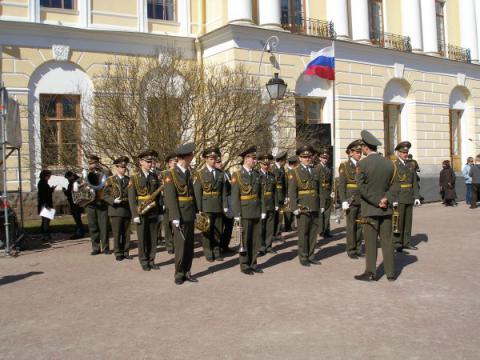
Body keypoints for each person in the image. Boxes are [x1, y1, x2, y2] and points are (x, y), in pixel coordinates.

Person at [354, 130, 396, 282]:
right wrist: (386, 199)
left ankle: (371, 273)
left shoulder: (362, 164)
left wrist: (375, 201)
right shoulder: (389, 163)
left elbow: (361, 187)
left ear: (366, 148)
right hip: (386, 209)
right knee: (387, 241)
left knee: (371, 242)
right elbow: (396, 185)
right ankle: (391, 273)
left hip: (371, 209)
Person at [163, 143, 198, 284]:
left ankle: (187, 271)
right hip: (180, 214)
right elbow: (170, 197)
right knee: (180, 246)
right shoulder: (170, 174)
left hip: (189, 213)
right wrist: (175, 217)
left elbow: (191, 193)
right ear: (185, 157)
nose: (193, 157)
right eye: (191, 155)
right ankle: (178, 273)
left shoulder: (187, 172)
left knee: (189, 245)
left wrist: (196, 211)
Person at [231, 146, 264, 275]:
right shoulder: (237, 175)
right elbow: (235, 196)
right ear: (246, 159)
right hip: (244, 212)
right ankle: (245, 265)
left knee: (255, 239)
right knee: (244, 239)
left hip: (256, 210)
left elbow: (260, 194)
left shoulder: (257, 174)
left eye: (255, 159)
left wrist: (263, 210)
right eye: (253, 158)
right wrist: (237, 214)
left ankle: (253, 263)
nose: (255, 161)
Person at [128, 150, 163, 271]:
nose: (150, 164)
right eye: (148, 161)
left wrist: (160, 212)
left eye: (152, 161)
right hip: (141, 211)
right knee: (143, 238)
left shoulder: (154, 177)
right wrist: (135, 215)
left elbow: (159, 196)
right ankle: (143, 260)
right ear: (141, 162)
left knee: (153, 237)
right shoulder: (134, 177)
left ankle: (151, 260)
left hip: (153, 210)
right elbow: (131, 198)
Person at [288, 145, 321, 267]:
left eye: (309, 157)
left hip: (314, 205)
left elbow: (319, 189)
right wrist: (294, 207)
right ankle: (303, 257)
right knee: (303, 233)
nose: (307, 159)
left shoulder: (315, 170)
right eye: (304, 157)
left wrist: (321, 204)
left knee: (313, 233)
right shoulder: (294, 172)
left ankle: (311, 255)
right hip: (302, 206)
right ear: (300, 158)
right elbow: (292, 191)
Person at [193, 146, 227, 262]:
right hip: (206, 206)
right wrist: (199, 209)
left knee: (218, 230)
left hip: (218, 205)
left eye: (215, 158)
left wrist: (225, 206)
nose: (213, 160)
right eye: (211, 159)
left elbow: (223, 192)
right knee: (207, 231)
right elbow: (198, 192)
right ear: (206, 159)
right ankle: (208, 252)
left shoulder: (220, 173)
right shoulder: (200, 174)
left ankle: (216, 252)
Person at [390, 141, 421, 253]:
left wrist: (416, 196)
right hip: (398, 197)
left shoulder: (411, 165)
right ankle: (397, 243)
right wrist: (393, 199)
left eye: (406, 152)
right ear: (398, 153)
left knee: (408, 221)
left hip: (408, 196)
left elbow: (414, 182)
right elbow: (390, 183)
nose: (405, 154)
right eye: (403, 152)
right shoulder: (393, 165)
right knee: (398, 221)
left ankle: (406, 242)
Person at [80, 154, 111, 255]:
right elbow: (82, 187)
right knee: (93, 226)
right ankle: (95, 248)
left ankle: (106, 248)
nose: (92, 165)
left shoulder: (105, 172)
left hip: (102, 202)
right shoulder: (85, 174)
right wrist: (84, 186)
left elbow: (111, 185)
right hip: (91, 203)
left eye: (93, 163)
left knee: (104, 226)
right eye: (90, 163)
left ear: (98, 162)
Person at [338, 140, 363, 259]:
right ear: (351, 153)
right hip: (351, 200)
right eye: (357, 152)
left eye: (360, 152)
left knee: (360, 225)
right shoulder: (345, 166)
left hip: (361, 199)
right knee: (351, 226)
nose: (360, 154)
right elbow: (342, 185)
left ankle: (359, 248)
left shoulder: (362, 165)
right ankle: (351, 249)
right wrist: (343, 200)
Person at [104, 156, 132, 261]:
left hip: (126, 209)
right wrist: (113, 201)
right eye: (121, 167)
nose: (123, 169)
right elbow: (105, 195)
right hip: (115, 210)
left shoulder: (129, 180)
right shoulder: (110, 180)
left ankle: (125, 252)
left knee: (126, 233)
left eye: (125, 167)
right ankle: (118, 253)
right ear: (117, 167)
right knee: (117, 233)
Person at [257, 153, 278, 256]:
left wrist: (276, 203)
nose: (266, 166)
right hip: (261, 204)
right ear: (260, 164)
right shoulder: (257, 175)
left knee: (270, 227)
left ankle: (268, 246)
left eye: (268, 164)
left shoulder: (272, 175)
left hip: (271, 203)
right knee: (261, 227)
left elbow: (275, 191)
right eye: (264, 164)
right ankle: (261, 247)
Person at [216, 157, 235, 254]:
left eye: (220, 162)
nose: (220, 164)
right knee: (219, 225)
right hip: (219, 201)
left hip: (229, 199)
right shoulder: (215, 174)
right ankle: (217, 247)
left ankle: (225, 245)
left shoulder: (226, 173)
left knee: (229, 224)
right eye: (217, 162)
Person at [161, 153, 177, 254]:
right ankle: (169, 245)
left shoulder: (179, 173)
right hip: (166, 201)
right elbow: (160, 189)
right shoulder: (163, 174)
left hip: (177, 202)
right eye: (172, 161)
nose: (174, 162)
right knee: (167, 225)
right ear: (168, 163)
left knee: (176, 224)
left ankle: (176, 243)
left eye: (176, 161)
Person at [316, 150, 333, 238]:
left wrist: (332, 191)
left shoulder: (329, 168)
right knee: (321, 213)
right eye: (323, 158)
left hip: (327, 193)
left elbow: (330, 182)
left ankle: (327, 230)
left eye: (326, 158)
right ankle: (321, 231)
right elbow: (316, 183)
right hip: (320, 193)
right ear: (320, 158)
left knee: (327, 213)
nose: (325, 160)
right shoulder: (317, 168)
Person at [63, 171, 85, 239]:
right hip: (77, 202)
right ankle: (80, 232)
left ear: (70, 176)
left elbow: (71, 192)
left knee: (77, 218)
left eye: (67, 178)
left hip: (75, 203)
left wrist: (65, 191)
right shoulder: (77, 180)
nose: (67, 179)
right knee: (77, 218)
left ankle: (79, 233)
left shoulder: (74, 182)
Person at [271, 151, 287, 241]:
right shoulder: (273, 169)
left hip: (281, 195)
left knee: (280, 216)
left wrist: (285, 196)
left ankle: (277, 233)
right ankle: (273, 234)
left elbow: (284, 184)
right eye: (284, 160)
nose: (285, 162)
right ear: (281, 160)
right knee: (275, 216)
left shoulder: (281, 168)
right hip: (275, 196)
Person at [37, 170, 55, 242]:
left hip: (44, 204)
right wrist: (51, 190)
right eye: (49, 176)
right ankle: (46, 237)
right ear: (46, 176)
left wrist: (51, 189)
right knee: (46, 221)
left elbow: (45, 192)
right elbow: (44, 195)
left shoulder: (43, 183)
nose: (50, 177)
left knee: (45, 221)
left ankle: (46, 236)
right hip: (45, 204)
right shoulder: (43, 183)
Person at [284, 155, 299, 232]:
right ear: (293, 164)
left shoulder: (294, 171)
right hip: (289, 193)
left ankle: (292, 226)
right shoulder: (288, 172)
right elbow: (286, 185)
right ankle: (288, 226)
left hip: (293, 193)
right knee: (288, 211)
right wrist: (286, 196)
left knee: (293, 208)